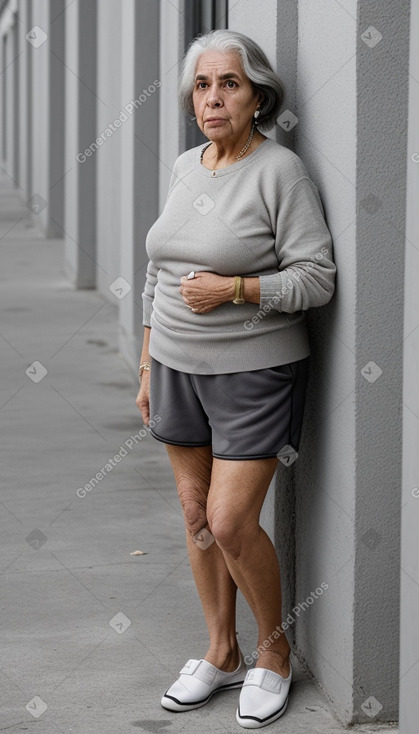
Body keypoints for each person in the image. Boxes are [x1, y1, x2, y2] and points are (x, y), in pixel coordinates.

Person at [136, 28, 336, 730]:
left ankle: (272, 652)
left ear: (257, 95)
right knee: (195, 517)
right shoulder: (187, 165)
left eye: (228, 83)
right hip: (174, 367)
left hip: (254, 370)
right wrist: (146, 358)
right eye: (201, 84)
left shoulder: (279, 172)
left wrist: (240, 290)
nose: (212, 97)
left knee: (227, 520)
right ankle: (220, 651)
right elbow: (159, 267)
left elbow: (316, 278)